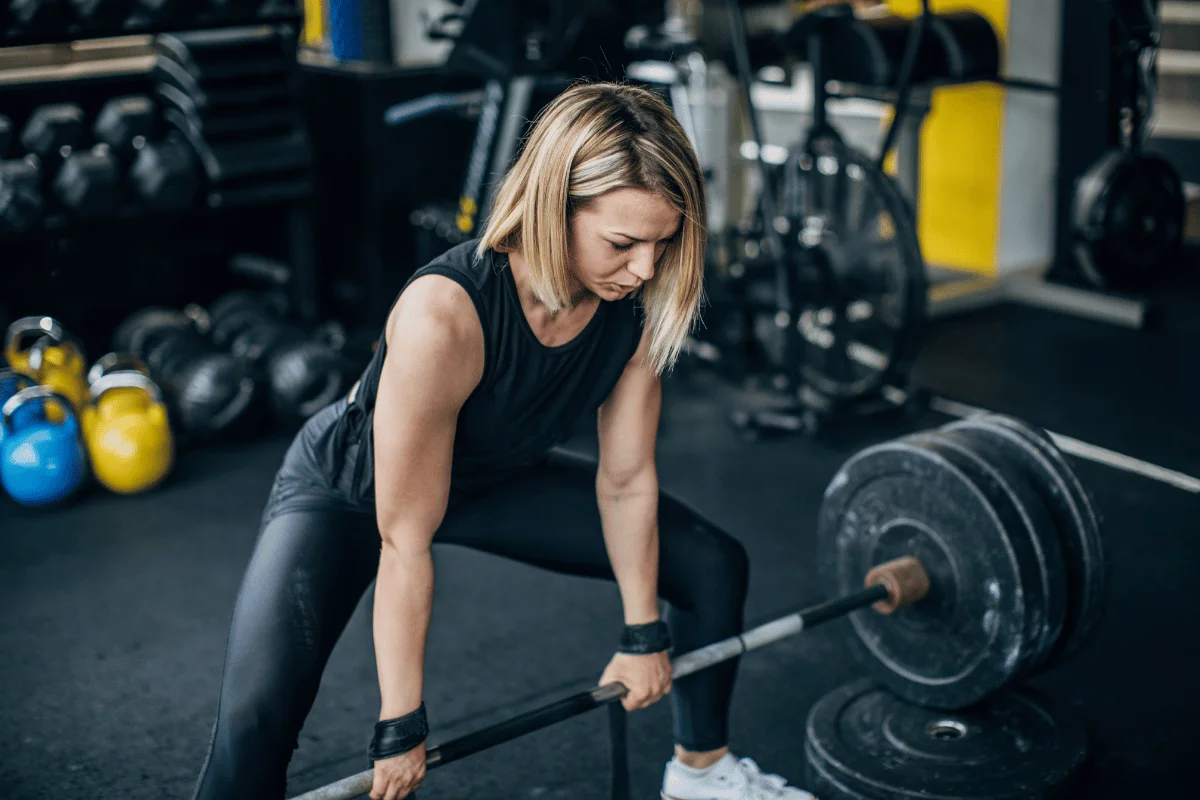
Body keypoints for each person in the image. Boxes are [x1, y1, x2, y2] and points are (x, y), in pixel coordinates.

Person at [191, 82, 816, 800]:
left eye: (661, 243)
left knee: (710, 563)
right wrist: (401, 723)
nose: (646, 268)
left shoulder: (632, 308)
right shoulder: (445, 317)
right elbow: (402, 540)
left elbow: (627, 481)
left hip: (488, 480)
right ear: (555, 208)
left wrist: (644, 633)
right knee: (256, 722)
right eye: (623, 243)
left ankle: (701, 773)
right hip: (353, 493)